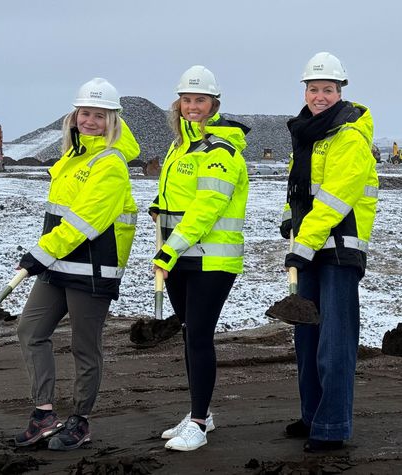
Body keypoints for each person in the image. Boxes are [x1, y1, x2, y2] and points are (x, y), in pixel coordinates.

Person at [14, 78, 140, 451]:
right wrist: (48, 253)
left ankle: (81, 420)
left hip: (91, 267)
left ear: (112, 120)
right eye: (85, 113)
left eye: (99, 115)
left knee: (85, 348)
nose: (89, 120)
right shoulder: (73, 157)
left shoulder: (111, 163)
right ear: (74, 115)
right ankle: (44, 414)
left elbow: (85, 221)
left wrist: (41, 252)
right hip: (57, 262)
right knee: (30, 330)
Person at [279, 52, 378, 452]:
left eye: (328, 89)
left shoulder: (349, 135)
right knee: (307, 336)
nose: (320, 96)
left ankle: (332, 426)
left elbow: (335, 200)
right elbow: (300, 189)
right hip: (311, 249)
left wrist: (301, 247)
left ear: (341, 92)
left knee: (333, 342)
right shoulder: (307, 133)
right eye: (314, 88)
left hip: (338, 251)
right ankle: (312, 415)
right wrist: (290, 219)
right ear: (305, 90)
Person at [150, 65, 249, 452]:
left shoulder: (220, 151)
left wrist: (168, 251)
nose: (193, 106)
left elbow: (208, 206)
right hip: (181, 256)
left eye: (200, 100)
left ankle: (197, 422)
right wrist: (160, 205)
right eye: (187, 100)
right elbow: (178, 196)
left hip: (211, 259)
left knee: (200, 336)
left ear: (214, 104)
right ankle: (201, 413)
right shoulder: (180, 147)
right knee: (191, 333)